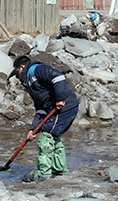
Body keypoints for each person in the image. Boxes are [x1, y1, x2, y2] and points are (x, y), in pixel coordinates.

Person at [11, 52, 78, 182]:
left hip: (64, 107)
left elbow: (58, 77)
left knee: (46, 137)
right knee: (53, 135)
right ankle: (59, 169)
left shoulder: (37, 70)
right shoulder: (32, 85)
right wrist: (33, 129)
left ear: (22, 67)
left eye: (17, 72)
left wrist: (59, 99)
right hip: (62, 108)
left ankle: (44, 172)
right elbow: (40, 109)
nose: (18, 77)